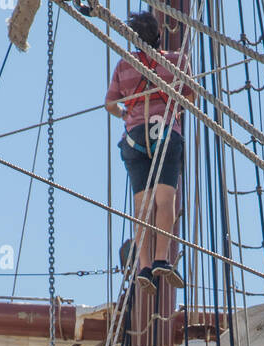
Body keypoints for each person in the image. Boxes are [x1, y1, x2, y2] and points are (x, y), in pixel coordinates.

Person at [104, 11, 195, 295]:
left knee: (142, 208)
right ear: (159, 35)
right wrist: (172, 105)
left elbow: (110, 104)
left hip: (134, 138)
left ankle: (143, 266)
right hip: (166, 134)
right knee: (165, 200)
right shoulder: (177, 61)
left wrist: (125, 114)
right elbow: (190, 95)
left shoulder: (123, 65)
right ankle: (161, 260)